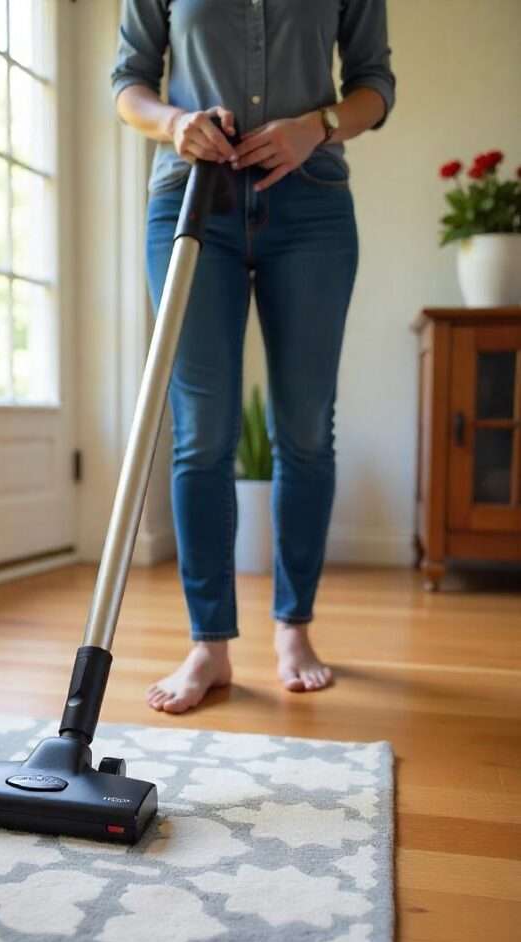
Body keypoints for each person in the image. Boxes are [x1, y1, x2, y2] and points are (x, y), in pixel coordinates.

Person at [111, 0, 396, 711]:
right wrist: (174, 123)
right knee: (201, 430)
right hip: (191, 198)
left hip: (313, 206)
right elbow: (129, 82)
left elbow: (374, 85)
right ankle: (209, 645)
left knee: (303, 427)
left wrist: (317, 126)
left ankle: (293, 628)